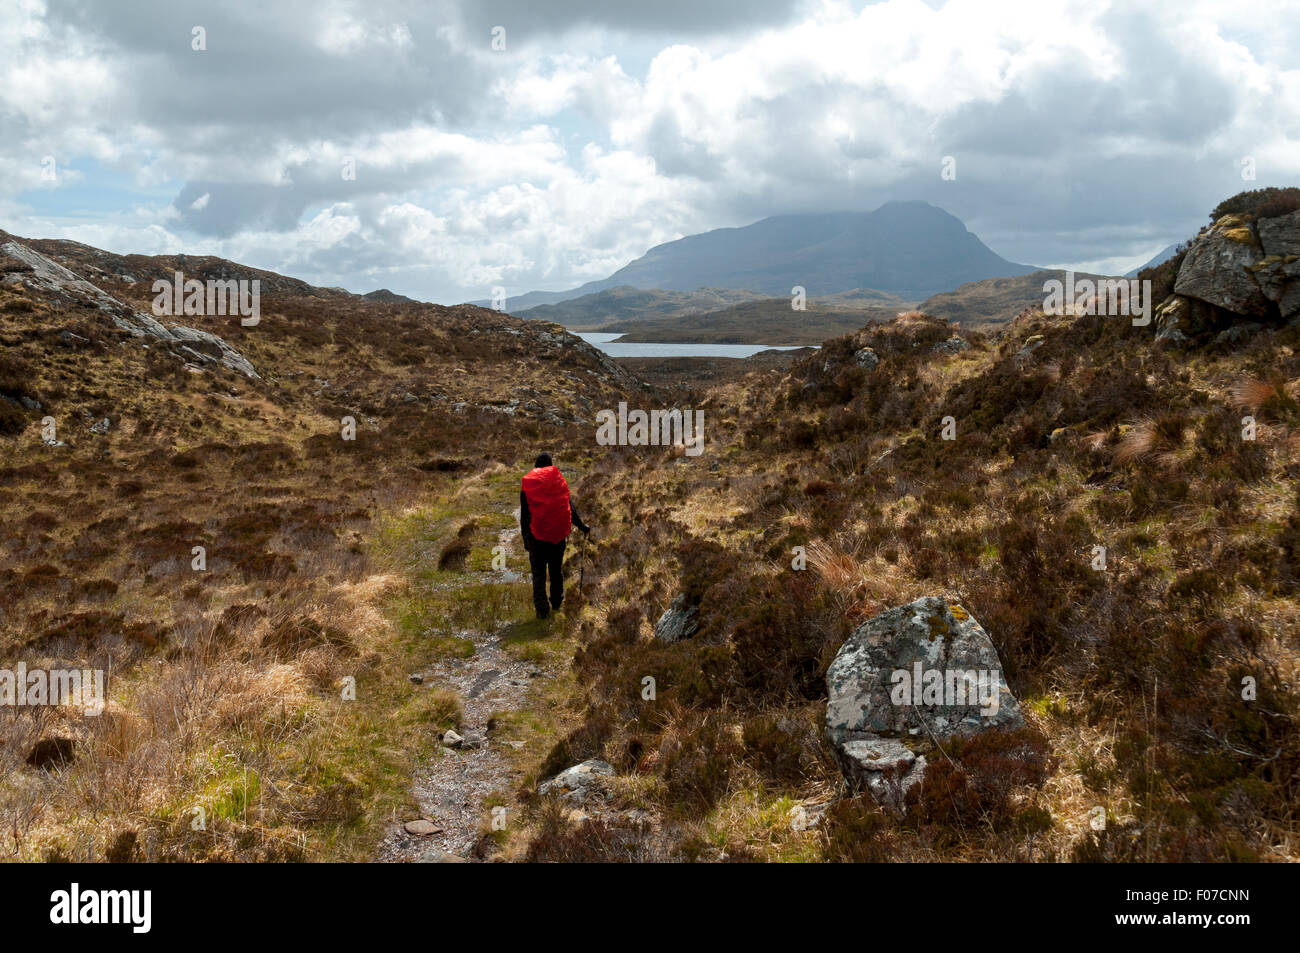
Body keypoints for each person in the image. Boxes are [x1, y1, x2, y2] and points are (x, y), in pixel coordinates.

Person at [520, 452, 590, 619]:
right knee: (556, 571)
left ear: (536, 466)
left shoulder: (528, 486)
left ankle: (542, 611)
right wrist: (582, 526)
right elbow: (570, 508)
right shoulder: (559, 482)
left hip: (536, 539)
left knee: (539, 576)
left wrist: (525, 539)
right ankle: (557, 603)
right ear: (551, 464)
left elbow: (524, 517)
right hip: (557, 538)